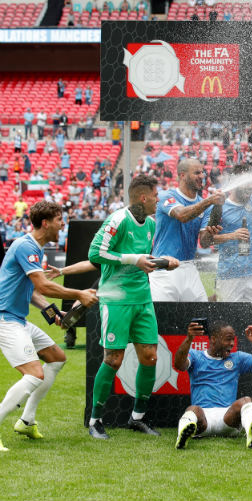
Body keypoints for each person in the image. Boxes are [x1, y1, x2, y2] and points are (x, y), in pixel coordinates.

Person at [87, 174, 180, 440]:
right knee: (113, 359)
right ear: (143, 196)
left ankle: (137, 418)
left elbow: (143, 260)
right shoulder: (117, 219)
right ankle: (96, 421)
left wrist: (162, 262)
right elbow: (95, 254)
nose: (158, 200)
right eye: (155, 195)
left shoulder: (150, 224)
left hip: (142, 298)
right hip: (116, 299)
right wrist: (135, 258)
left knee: (150, 357)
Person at [0, 201, 98, 450]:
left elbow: (33, 290)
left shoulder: (33, 248)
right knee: (34, 374)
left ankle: (26, 420)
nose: (62, 225)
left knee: (56, 358)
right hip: (6, 320)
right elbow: (43, 286)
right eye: (59, 220)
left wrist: (52, 312)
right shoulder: (27, 247)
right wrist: (79, 294)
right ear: (45, 223)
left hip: (17, 319)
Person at [173, 319, 252, 449]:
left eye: (233, 340)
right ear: (213, 339)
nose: (232, 344)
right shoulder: (196, 356)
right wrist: (189, 339)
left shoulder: (238, 358)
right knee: (193, 409)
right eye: (228, 339)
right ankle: (182, 438)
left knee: (246, 401)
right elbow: (178, 365)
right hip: (203, 420)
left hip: (228, 419)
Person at [208, 151, 252, 302]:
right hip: (229, 275)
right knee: (229, 321)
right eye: (246, 183)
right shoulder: (220, 205)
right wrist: (232, 236)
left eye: (251, 183)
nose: (249, 187)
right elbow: (207, 240)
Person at [149, 158, 224, 302]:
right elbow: (182, 215)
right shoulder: (166, 196)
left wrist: (212, 228)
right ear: (182, 175)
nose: (202, 176)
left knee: (201, 318)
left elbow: (205, 242)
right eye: (197, 173)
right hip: (164, 267)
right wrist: (209, 201)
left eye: (203, 172)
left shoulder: (205, 204)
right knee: (164, 319)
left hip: (189, 267)